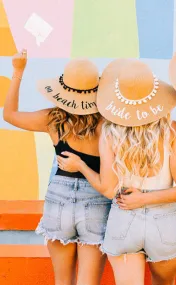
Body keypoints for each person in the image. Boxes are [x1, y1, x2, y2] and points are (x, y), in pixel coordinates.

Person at [57, 58, 176, 285]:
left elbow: (108, 189)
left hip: (124, 220)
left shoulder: (109, 132)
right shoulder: (172, 131)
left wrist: (81, 167)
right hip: (164, 224)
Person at [3, 52, 111, 285]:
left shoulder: (53, 119)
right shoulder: (107, 123)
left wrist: (18, 71)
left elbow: (9, 115)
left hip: (58, 199)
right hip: (96, 197)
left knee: (62, 281)